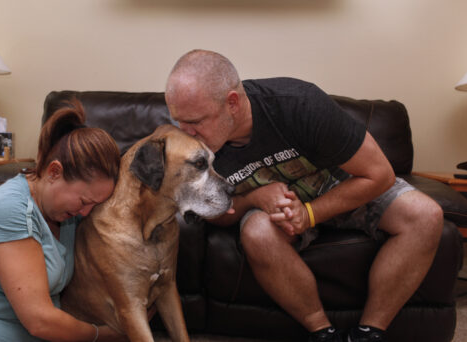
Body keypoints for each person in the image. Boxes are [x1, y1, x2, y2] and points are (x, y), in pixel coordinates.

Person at [164, 49, 444, 342]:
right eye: (179, 121)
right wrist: (254, 197)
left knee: (425, 215)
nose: (186, 133)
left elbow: (379, 174)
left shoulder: (297, 104)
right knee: (257, 232)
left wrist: (309, 215)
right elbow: (215, 215)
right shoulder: (194, 148)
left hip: (346, 189)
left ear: (232, 103)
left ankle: (368, 333)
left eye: (195, 121)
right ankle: (322, 333)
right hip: (278, 213)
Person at [0, 100, 125, 342]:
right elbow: (40, 321)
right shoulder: (8, 209)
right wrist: (103, 335)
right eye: (83, 201)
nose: (87, 213)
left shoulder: (66, 216)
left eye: (94, 205)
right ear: (54, 172)